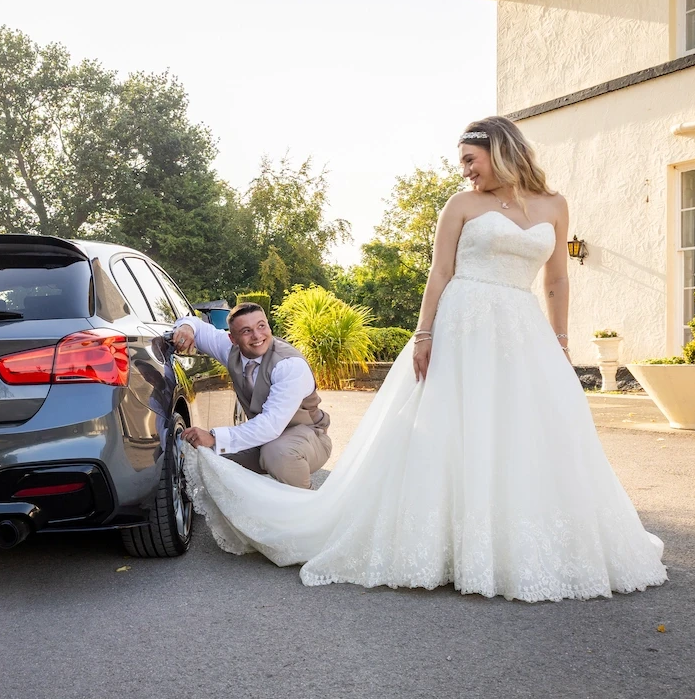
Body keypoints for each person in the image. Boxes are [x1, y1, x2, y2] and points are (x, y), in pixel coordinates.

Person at [181, 116, 668, 602]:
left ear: (498, 150)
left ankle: (516, 540)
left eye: (470, 161)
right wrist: (423, 333)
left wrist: (561, 344)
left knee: (529, 428)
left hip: (522, 332)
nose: (465, 172)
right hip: (462, 326)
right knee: (453, 427)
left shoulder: (555, 205)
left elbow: (557, 280)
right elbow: (440, 274)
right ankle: (446, 542)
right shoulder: (461, 205)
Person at [172, 303, 331, 489]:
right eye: (246, 331)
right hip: (266, 439)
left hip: (309, 438)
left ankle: (305, 506)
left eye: (261, 326)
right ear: (233, 338)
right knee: (208, 458)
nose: (257, 336)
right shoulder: (230, 349)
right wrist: (186, 328)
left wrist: (214, 437)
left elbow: (270, 425)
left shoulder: (289, 365)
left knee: (277, 453)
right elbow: (196, 326)